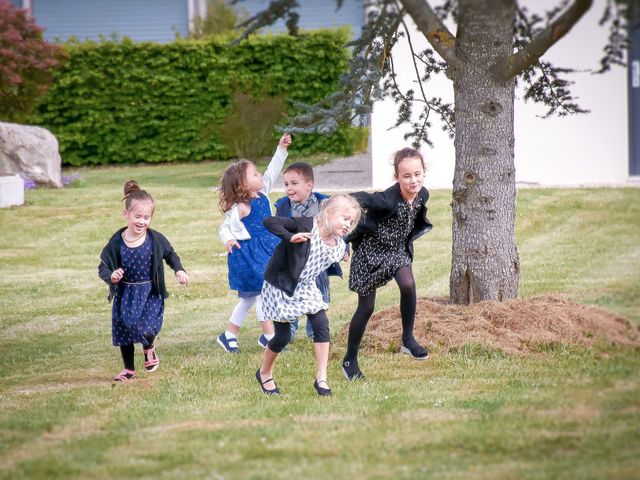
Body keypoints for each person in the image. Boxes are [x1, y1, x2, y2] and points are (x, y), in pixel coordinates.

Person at [341, 147, 433, 381]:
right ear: (397, 177)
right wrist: (344, 205)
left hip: (395, 252)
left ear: (424, 172)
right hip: (370, 253)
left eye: (417, 174)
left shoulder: (423, 195)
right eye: (406, 176)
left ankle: (407, 339)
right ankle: (350, 359)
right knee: (366, 307)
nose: (413, 180)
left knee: (408, 285)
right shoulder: (386, 200)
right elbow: (364, 199)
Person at [256, 194, 361, 396]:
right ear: (329, 213)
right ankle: (264, 372)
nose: (348, 225)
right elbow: (269, 221)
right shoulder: (304, 225)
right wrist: (290, 236)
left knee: (321, 324)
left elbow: (333, 253)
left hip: (305, 286)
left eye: (351, 221)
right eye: (345, 218)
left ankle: (321, 379)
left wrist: (345, 251)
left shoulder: (338, 243)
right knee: (283, 336)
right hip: (281, 284)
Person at [98, 180, 189, 382]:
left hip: (150, 292)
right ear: (126, 214)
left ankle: (149, 347)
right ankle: (128, 369)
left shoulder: (155, 239)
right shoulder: (117, 242)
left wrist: (179, 270)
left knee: (145, 328)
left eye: (146, 217)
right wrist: (111, 277)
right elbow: (103, 266)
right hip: (125, 293)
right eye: (137, 216)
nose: (142, 221)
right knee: (125, 331)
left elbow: (170, 254)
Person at [216, 133, 292, 353]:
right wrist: (229, 239)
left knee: (249, 299)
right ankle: (269, 336)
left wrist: (281, 149)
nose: (261, 176)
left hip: (265, 251)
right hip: (248, 255)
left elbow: (273, 170)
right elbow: (224, 227)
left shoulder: (262, 193)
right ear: (242, 184)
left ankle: (229, 334)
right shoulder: (240, 206)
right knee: (262, 293)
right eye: (255, 174)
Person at [274, 162, 346, 341]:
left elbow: (338, 227)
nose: (289, 188)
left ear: (309, 185)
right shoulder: (283, 206)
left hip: (317, 260)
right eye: (286, 184)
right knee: (289, 294)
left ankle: (314, 331)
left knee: (318, 293)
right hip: (293, 260)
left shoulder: (325, 204)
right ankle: (287, 331)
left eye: (294, 183)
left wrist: (344, 248)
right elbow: (279, 229)